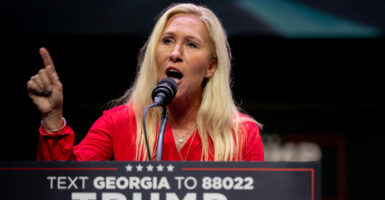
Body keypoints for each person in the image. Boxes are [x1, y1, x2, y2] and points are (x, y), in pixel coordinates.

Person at [27, 3, 264, 161]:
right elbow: (64, 184)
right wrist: (52, 119)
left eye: (191, 44)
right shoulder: (118, 123)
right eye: (168, 40)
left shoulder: (241, 133)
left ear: (210, 67)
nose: (175, 53)